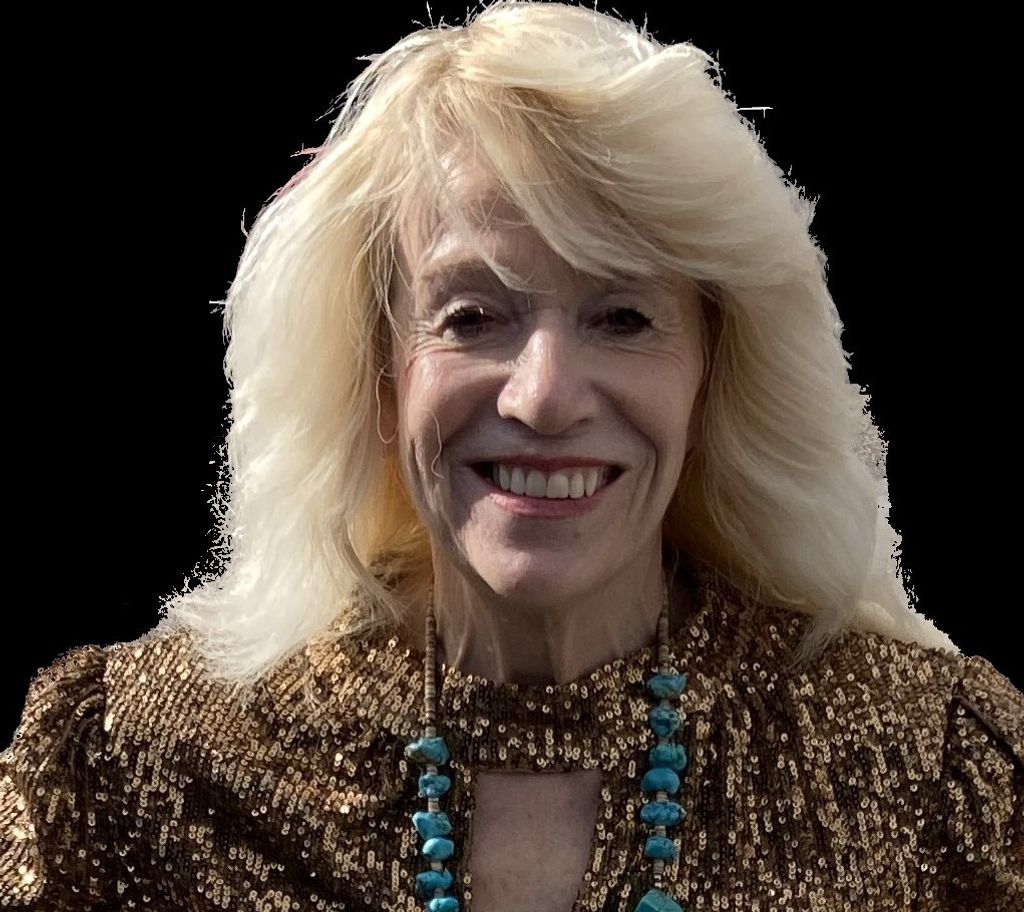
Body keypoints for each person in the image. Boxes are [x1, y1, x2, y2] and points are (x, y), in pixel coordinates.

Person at [2, 2, 1021, 910]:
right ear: (373, 364)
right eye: (471, 316)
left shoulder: (925, 768)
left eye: (622, 317)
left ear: (715, 371)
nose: (542, 397)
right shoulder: (136, 770)